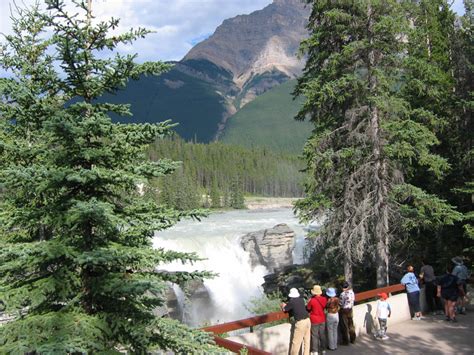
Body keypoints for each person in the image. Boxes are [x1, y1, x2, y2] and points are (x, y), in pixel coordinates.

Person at [281, 288, 311, 355]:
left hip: (300, 323)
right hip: (307, 321)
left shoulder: (292, 302)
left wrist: (283, 305)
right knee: (307, 341)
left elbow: (284, 309)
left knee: (296, 343)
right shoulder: (301, 300)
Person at [306, 285, 327, 355]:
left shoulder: (312, 300)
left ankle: (315, 351)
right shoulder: (324, 299)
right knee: (322, 334)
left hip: (314, 319)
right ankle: (323, 349)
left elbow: (308, 308)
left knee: (315, 335)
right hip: (322, 318)